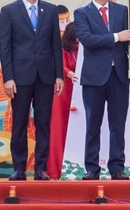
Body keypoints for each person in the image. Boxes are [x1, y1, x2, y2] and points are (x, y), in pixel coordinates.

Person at [0, 0, 64, 181]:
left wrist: (58, 75)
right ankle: (19, 168)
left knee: (43, 122)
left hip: (45, 76)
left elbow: (56, 44)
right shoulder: (9, 11)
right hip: (20, 76)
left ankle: (40, 169)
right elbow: (5, 47)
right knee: (19, 122)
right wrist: (8, 77)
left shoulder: (50, 10)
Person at [74, 0, 130, 180]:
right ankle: (92, 168)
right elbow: (87, 39)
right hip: (94, 78)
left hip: (118, 76)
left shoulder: (122, 10)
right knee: (93, 124)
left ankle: (117, 167)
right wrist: (117, 37)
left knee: (118, 124)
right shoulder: (82, 13)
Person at [47, 22, 79, 179]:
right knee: (59, 128)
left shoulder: (85, 49)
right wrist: (69, 73)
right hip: (63, 91)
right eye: (77, 38)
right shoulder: (63, 49)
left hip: (79, 91)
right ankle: (56, 169)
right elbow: (61, 66)